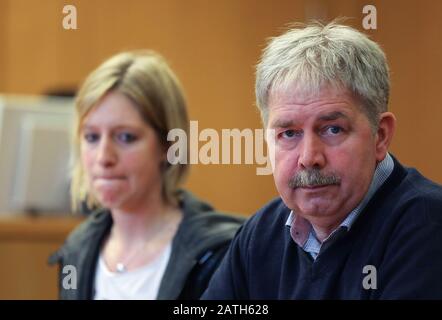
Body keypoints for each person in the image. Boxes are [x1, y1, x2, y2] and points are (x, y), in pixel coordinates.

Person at [202, 21, 442, 299]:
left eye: (332, 129)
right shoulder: (260, 235)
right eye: (289, 133)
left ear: (381, 135)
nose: (308, 158)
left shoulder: (428, 226)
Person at [49, 50, 243, 300]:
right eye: (92, 137)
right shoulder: (77, 249)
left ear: (168, 145)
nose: (103, 157)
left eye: (125, 137)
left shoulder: (219, 253)